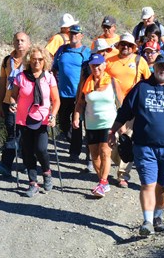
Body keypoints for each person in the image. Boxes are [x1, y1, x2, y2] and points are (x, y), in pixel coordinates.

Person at [108, 54, 164, 236]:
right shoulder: (142, 88)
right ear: (154, 68)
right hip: (144, 146)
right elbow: (124, 111)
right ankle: (147, 221)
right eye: (160, 66)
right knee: (148, 184)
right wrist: (112, 131)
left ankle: (157, 215)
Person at [9, 46, 60, 197]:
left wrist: (54, 115)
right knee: (27, 152)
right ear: (29, 61)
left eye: (40, 59)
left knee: (41, 149)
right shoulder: (21, 77)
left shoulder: (49, 77)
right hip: (24, 120)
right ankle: (33, 183)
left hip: (42, 119)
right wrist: (13, 104)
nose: (37, 62)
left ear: (45, 61)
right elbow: (13, 96)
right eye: (34, 59)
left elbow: (56, 100)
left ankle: (47, 172)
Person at [73, 53, 124, 197]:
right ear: (89, 66)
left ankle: (102, 183)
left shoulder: (113, 82)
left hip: (109, 122)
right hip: (91, 124)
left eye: (98, 65)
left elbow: (121, 105)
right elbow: (80, 103)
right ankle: (104, 182)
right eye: (93, 65)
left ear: (104, 65)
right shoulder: (86, 83)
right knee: (94, 155)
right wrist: (76, 117)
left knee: (104, 152)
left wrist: (122, 128)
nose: (96, 68)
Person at [106, 32, 151, 188]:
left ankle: (123, 175)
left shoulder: (140, 61)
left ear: (133, 47)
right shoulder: (109, 61)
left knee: (127, 139)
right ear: (118, 45)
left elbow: (149, 81)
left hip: (133, 107)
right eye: (123, 44)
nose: (125, 47)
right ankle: (117, 161)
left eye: (129, 45)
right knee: (113, 138)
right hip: (112, 106)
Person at [52, 24, 91, 161]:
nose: (73, 36)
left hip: (79, 93)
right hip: (62, 93)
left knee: (77, 122)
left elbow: (90, 72)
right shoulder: (62, 50)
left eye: (76, 34)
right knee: (63, 122)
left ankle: (75, 151)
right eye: (71, 33)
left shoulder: (86, 52)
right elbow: (54, 68)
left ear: (81, 36)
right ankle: (76, 143)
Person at [0, 31, 31, 177]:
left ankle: (29, 164)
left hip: (29, 105)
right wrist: (0, 103)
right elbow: (2, 83)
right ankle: (6, 165)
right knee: (13, 134)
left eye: (23, 40)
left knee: (28, 136)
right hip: (9, 103)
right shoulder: (6, 60)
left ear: (29, 43)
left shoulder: (33, 60)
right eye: (17, 40)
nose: (19, 43)